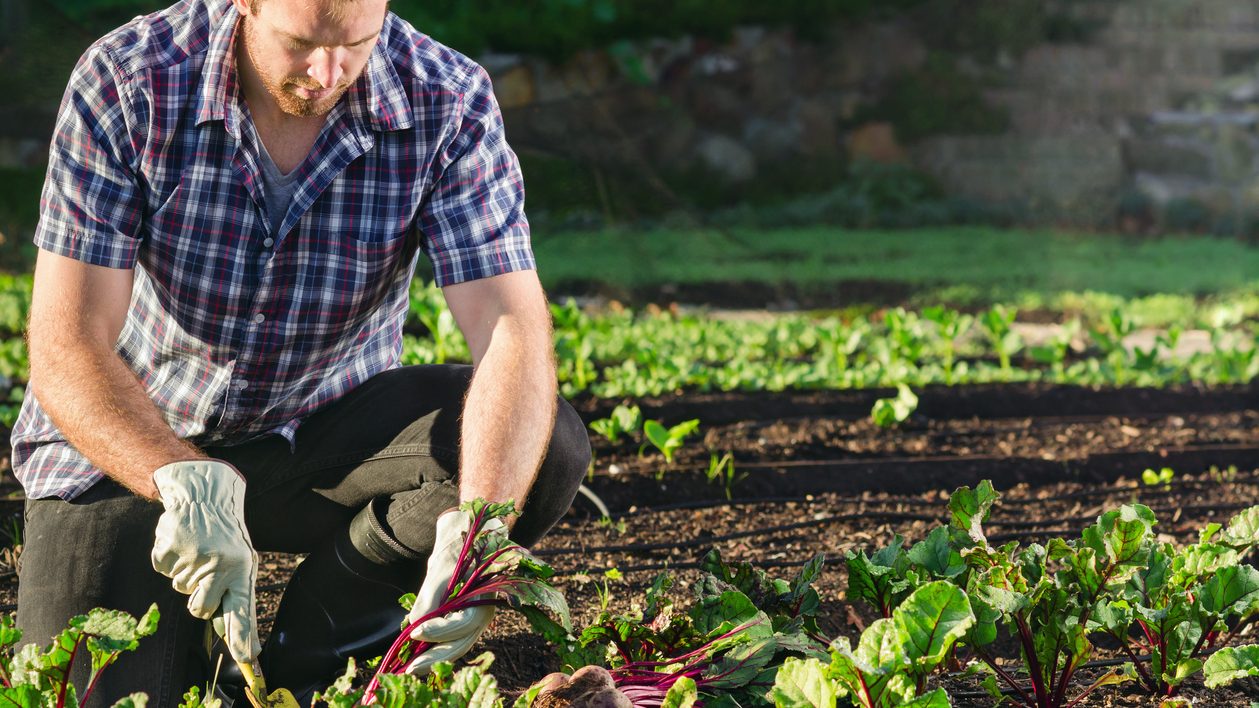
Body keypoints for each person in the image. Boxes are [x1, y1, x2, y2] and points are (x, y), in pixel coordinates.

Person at [10, 0, 591, 704]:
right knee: (101, 692)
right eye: (300, 45)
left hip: (322, 435)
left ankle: (321, 648)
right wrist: (176, 476)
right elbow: (67, 341)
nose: (328, 72)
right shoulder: (130, 79)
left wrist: (479, 528)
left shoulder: (446, 96)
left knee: (545, 444)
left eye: (356, 44)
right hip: (137, 449)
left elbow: (511, 326)